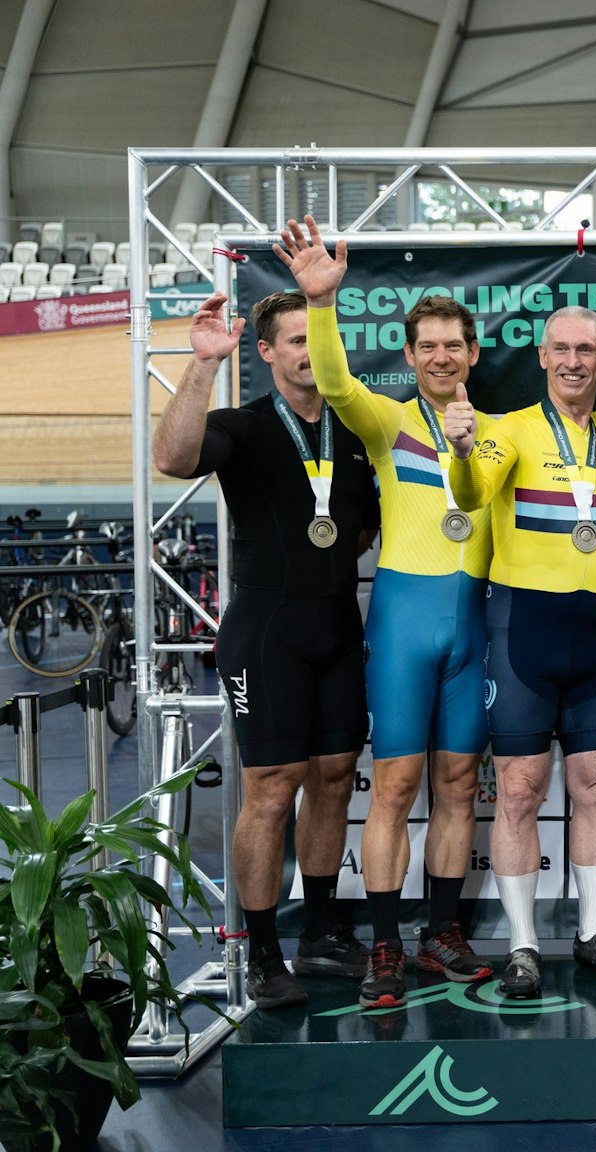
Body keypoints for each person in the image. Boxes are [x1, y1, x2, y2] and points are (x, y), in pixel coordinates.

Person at [275, 217, 493, 1008]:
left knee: (460, 783)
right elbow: (335, 384)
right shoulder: (388, 421)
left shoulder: (493, 434)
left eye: (453, 345)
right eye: (427, 346)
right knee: (396, 786)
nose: (441, 357)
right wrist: (320, 303)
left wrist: (465, 448)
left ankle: (442, 932)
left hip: (471, 626)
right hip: (404, 618)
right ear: (409, 356)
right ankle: (387, 946)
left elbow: (477, 497)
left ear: (473, 354)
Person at [153, 291, 379, 1009]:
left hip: (337, 625)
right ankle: (261, 954)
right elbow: (171, 458)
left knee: (335, 777)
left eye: (319, 337)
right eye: (295, 340)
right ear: (268, 352)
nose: (309, 351)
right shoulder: (243, 425)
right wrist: (202, 365)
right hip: (266, 633)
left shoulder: (356, 428)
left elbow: (364, 528)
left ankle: (320, 934)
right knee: (273, 788)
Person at [444, 309, 596, 993]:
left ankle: (592, 933)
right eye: (561, 348)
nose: (573, 361)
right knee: (519, 793)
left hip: (595, 636)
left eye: (586, 350)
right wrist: (462, 451)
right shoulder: (506, 430)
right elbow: (472, 494)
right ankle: (524, 944)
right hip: (522, 631)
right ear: (541, 356)